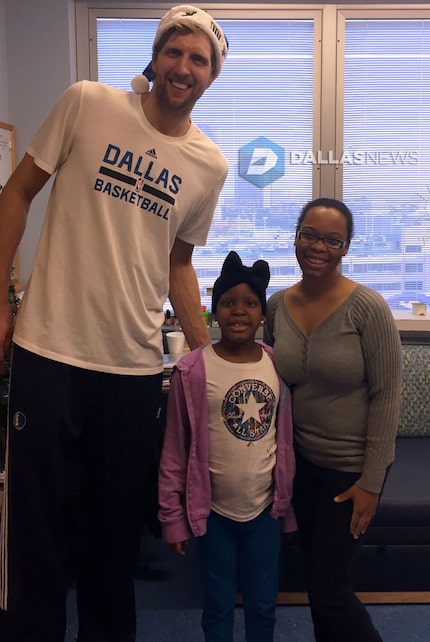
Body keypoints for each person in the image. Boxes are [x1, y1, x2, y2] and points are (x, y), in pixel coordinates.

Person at [0, 5, 229, 641]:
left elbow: (179, 265)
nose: (184, 67)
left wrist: (207, 357)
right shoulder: (87, 103)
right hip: (48, 352)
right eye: (174, 52)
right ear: (156, 58)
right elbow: (15, 193)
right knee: (37, 537)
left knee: (113, 542)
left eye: (199, 59)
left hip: (131, 368)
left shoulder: (209, 165)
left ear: (212, 75)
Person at [263, 197, 403, 642]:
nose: (317, 246)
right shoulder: (277, 306)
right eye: (309, 234)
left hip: (350, 471)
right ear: (296, 237)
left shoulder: (368, 308)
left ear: (346, 247)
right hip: (301, 465)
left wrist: (372, 483)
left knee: (330, 589)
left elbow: (386, 397)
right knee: (317, 585)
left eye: (331, 239)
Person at [158, 250, 297, 642]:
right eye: (228, 302)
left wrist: (285, 508)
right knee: (217, 605)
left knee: (263, 607)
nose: (239, 311)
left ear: (263, 314)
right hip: (213, 514)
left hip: (265, 513)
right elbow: (174, 450)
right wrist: (172, 517)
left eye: (250, 303)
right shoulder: (192, 370)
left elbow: (283, 442)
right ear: (214, 311)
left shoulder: (278, 366)